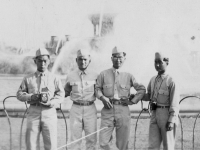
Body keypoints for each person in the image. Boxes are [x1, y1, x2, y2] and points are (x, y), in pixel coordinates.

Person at [95, 46, 146, 150]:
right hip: (107, 110)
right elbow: (97, 89)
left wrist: (132, 101)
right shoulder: (103, 74)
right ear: (111, 58)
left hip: (123, 110)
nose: (118, 60)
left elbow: (141, 89)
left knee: (122, 144)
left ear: (124, 58)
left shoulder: (129, 75)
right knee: (103, 142)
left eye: (120, 57)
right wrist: (103, 98)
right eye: (115, 57)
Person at [16, 48, 65, 150]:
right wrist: (31, 97)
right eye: (39, 61)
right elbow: (19, 94)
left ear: (49, 61)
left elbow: (61, 94)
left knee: (51, 144)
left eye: (45, 61)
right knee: (31, 145)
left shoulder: (55, 78)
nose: (42, 63)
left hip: (49, 114)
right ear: (35, 61)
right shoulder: (28, 78)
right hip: (33, 112)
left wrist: (51, 102)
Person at [143, 52, 180, 150]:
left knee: (168, 146)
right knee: (152, 146)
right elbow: (149, 96)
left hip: (166, 115)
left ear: (167, 62)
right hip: (154, 114)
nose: (157, 65)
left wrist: (171, 120)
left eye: (160, 62)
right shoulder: (152, 79)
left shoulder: (171, 81)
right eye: (155, 62)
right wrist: (137, 96)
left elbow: (175, 103)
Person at [64, 49, 98, 150]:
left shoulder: (95, 75)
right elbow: (65, 92)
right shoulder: (70, 76)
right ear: (76, 60)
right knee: (75, 139)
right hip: (76, 108)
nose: (83, 62)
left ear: (89, 60)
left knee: (91, 138)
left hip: (90, 108)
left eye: (85, 59)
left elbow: (100, 92)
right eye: (80, 59)